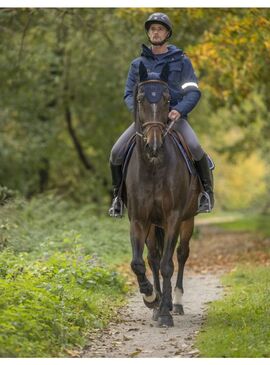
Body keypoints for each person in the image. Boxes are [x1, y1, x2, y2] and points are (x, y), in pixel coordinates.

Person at [108, 12, 214, 217]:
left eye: (160, 29)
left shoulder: (182, 61)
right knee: (116, 152)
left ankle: (206, 195)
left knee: (195, 146)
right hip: (146, 121)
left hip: (175, 119)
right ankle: (117, 198)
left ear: (167, 33)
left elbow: (193, 92)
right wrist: (141, 114)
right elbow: (129, 94)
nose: (155, 32)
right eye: (152, 29)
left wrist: (179, 110)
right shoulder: (137, 65)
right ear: (148, 33)